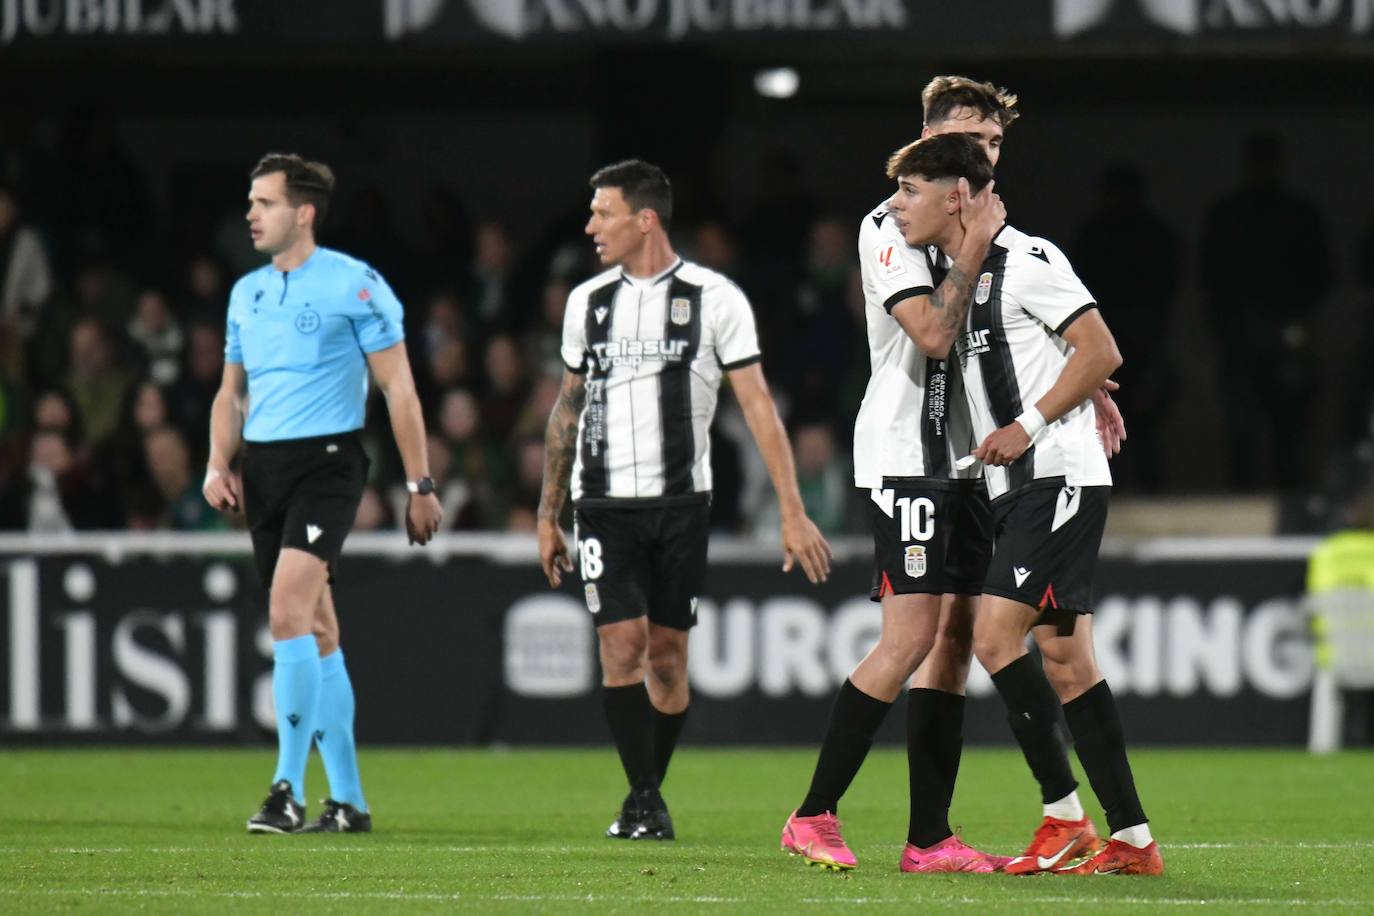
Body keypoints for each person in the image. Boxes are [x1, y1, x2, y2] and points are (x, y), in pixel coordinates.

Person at [781, 75, 1122, 875]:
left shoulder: (991, 230)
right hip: (909, 456)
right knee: (907, 639)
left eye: (996, 146)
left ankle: (928, 837)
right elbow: (935, 333)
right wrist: (970, 247)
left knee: (954, 644)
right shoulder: (889, 225)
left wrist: (1087, 385)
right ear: (932, 141)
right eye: (972, 144)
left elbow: (1012, 328)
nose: (988, 162)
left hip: (975, 466)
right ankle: (813, 813)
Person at [886, 132, 1163, 876]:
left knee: (993, 634)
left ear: (956, 194)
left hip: (1056, 477)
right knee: (1068, 660)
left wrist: (1029, 422)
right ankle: (1133, 840)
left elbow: (1101, 348)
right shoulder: (959, 275)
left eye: (910, 190)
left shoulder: (1027, 261)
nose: (897, 205)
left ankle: (1064, 817)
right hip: (1015, 488)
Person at [537, 159, 832, 841]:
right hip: (603, 503)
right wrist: (550, 513)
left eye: (602, 212)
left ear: (645, 220)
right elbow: (567, 407)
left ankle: (647, 791)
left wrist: (792, 509)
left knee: (667, 658)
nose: (590, 226)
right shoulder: (589, 301)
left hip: (681, 505)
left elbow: (758, 405)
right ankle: (644, 797)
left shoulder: (715, 298)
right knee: (622, 647)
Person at [203, 153, 443, 834]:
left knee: (286, 611)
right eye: (251, 201)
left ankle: (285, 786)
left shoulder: (355, 285)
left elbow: (399, 388)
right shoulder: (246, 293)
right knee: (317, 628)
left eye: (265, 203)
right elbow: (231, 391)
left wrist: (419, 484)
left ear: (302, 213)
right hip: (264, 469)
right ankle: (350, 802)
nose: (251, 213)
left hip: (329, 464)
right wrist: (218, 461)